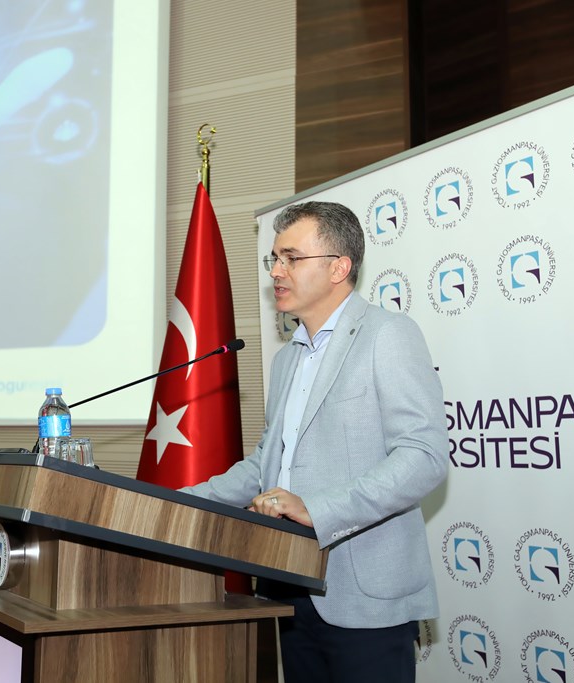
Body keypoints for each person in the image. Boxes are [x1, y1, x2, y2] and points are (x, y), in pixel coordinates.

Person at [181, 201, 448, 683]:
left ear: (338, 268)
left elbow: (423, 458)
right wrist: (179, 501)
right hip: (287, 582)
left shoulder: (388, 336)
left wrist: (317, 509)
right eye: (274, 259)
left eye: (291, 258)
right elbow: (268, 463)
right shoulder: (286, 359)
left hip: (363, 596)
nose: (276, 272)